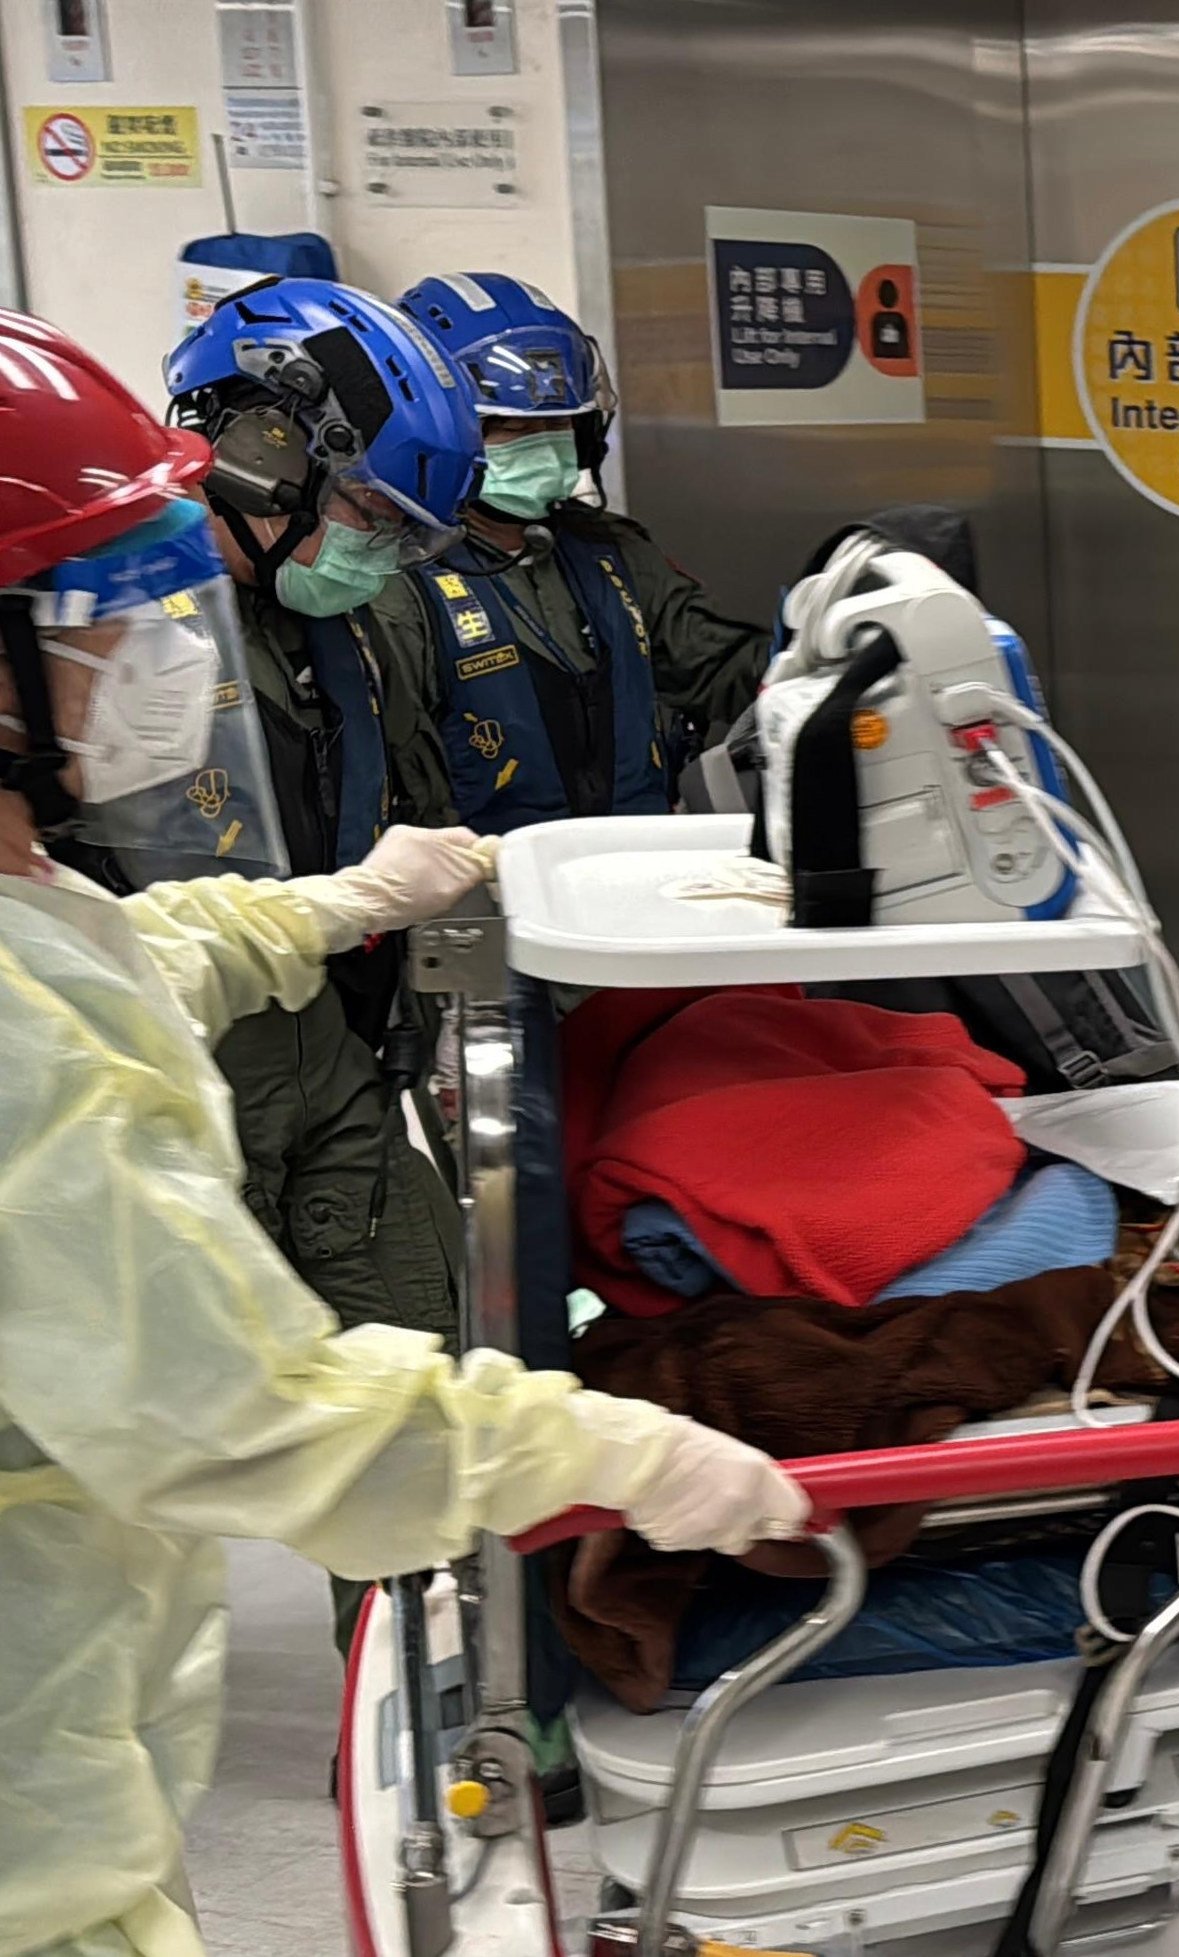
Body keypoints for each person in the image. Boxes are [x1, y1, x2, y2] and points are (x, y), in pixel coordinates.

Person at [0, 307, 809, 1957]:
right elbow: (241, 1410)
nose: (154, 655)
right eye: (103, 617)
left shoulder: (40, 907)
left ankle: (457, 1713)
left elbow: (127, 952)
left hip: (77, 1658)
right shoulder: (31, 1064)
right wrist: (605, 1452)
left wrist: (335, 903)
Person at [159, 276, 491, 1658]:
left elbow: (411, 808)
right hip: (157, 1090)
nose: (380, 557)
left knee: (419, 1388)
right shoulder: (90, 627)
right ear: (262, 450)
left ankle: (417, 1716)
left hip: (336, 1069)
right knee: (114, 1473)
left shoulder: (356, 629)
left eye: (405, 540)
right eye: (368, 518)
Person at [378, 272, 771, 834]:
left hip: (639, 867)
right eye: (511, 428)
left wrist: (819, 649)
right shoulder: (394, 578)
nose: (543, 442)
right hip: (492, 890)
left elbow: (718, 664)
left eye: (558, 423)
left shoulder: (611, 549)